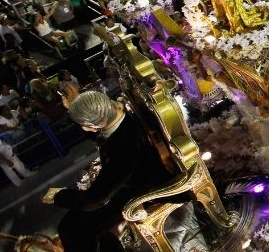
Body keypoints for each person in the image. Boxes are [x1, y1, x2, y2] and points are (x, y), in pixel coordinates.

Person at [43, 90, 173, 251]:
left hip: (140, 190)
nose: (84, 128)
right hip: (133, 174)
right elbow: (101, 135)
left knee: (72, 228)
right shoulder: (118, 113)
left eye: (84, 125)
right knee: (76, 224)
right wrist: (75, 106)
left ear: (93, 125)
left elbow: (94, 200)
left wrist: (59, 195)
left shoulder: (123, 147)